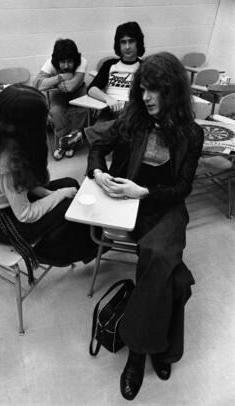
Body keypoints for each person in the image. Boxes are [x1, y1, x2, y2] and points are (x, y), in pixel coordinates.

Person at [87, 52, 204, 400]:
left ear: (173, 93)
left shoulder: (191, 134)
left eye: (156, 90)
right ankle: (162, 349)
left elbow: (182, 188)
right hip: (128, 206)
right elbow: (96, 144)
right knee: (175, 278)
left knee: (158, 258)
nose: (147, 97)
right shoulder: (133, 120)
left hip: (163, 204)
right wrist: (97, 172)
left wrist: (146, 191)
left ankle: (137, 354)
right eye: (144, 89)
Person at [0, 85, 97, 284]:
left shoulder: (3, 137)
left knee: (69, 183)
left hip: (13, 202)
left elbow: (24, 186)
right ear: (26, 124)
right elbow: (25, 214)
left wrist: (50, 192)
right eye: (42, 117)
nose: (48, 120)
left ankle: (82, 244)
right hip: (4, 221)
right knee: (70, 203)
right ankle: (53, 253)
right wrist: (58, 195)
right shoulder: (7, 163)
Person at [85, 21, 145, 144]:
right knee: (96, 145)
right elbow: (91, 89)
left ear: (138, 42)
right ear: (118, 44)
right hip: (110, 111)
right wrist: (108, 99)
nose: (127, 47)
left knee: (103, 135)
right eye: (123, 42)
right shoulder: (109, 65)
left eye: (131, 41)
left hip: (132, 113)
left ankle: (81, 136)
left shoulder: (145, 67)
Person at [34, 38, 87, 160]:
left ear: (76, 60)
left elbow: (70, 87)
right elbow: (37, 85)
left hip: (78, 92)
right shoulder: (50, 63)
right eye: (63, 62)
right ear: (56, 61)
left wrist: (51, 82)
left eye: (70, 62)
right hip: (58, 93)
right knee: (56, 110)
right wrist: (60, 77)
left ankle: (71, 142)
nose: (67, 66)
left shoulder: (82, 61)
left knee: (81, 110)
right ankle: (62, 143)